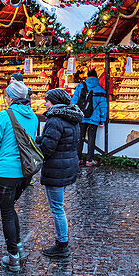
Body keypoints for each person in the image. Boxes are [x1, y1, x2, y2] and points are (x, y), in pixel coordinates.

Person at [0, 74, 39, 272]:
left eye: (6, 96)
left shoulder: (4, 116)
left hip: (6, 172)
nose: (5, 99)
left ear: (11, 98)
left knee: (7, 212)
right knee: (11, 209)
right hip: (25, 173)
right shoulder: (33, 117)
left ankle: (13, 256)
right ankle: (17, 245)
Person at [36, 88, 82, 259]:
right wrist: (39, 139)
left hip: (56, 169)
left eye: (47, 100)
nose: (45, 103)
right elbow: (62, 140)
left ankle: (62, 244)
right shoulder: (71, 117)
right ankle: (61, 242)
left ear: (54, 102)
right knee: (59, 206)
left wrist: (33, 149)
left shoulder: (54, 120)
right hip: (67, 166)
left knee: (57, 209)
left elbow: (48, 148)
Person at [73, 68, 107, 166]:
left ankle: (78, 158)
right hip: (94, 118)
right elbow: (103, 107)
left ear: (87, 76)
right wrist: (102, 120)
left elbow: (74, 102)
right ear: (97, 77)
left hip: (81, 117)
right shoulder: (100, 89)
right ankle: (89, 159)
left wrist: (75, 115)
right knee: (91, 139)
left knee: (80, 138)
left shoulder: (80, 87)